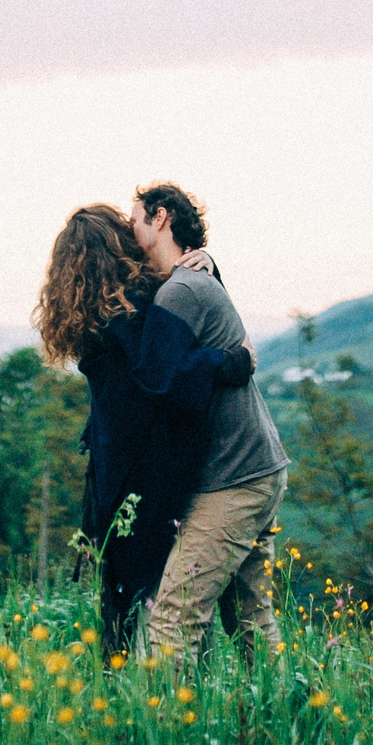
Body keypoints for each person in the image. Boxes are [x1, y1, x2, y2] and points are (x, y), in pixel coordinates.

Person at [34, 204, 255, 650]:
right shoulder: (129, 311)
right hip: (148, 472)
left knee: (131, 600)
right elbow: (172, 374)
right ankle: (176, 702)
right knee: (170, 600)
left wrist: (205, 264)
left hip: (112, 473)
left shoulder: (93, 316)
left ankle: (135, 699)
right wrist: (237, 360)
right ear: (116, 246)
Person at [130, 182, 290, 662]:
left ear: (160, 219)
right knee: (250, 616)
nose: (128, 228)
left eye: (134, 218)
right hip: (258, 469)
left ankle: (162, 726)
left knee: (173, 619)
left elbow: (162, 388)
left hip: (234, 480)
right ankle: (284, 721)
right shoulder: (192, 282)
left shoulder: (180, 291)